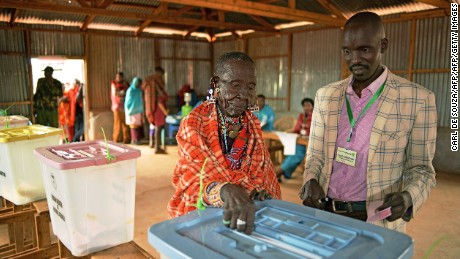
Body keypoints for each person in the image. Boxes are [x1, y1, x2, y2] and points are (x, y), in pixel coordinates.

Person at [299, 12, 437, 232]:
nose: (355, 60)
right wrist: (310, 179)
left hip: (376, 221)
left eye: (364, 49)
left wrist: (408, 197)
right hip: (325, 214)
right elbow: (315, 155)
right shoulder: (326, 96)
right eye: (347, 51)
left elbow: (421, 169)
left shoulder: (417, 99)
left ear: (383, 45)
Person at [168, 52, 281, 234]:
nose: (244, 95)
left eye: (251, 87)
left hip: (244, 217)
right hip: (203, 218)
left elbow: (263, 176)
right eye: (235, 85)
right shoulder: (195, 124)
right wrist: (224, 189)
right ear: (216, 84)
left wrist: (258, 192)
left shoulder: (252, 125)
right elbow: (193, 181)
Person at [276, 98, 313, 182]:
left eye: (308, 105)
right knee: (292, 153)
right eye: (305, 106)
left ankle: (279, 172)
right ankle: (283, 173)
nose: (306, 107)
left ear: (312, 107)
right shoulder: (302, 116)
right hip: (300, 140)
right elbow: (297, 128)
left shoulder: (316, 116)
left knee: (296, 155)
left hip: (310, 143)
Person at [144, 67, 168, 154]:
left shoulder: (150, 82)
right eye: (161, 74)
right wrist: (165, 111)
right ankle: (157, 148)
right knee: (158, 127)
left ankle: (157, 147)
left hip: (154, 108)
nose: (161, 77)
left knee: (158, 127)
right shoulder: (155, 82)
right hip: (158, 109)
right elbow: (160, 96)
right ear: (159, 73)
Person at [111, 72, 130, 144]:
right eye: (117, 77)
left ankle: (126, 138)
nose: (118, 78)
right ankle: (116, 139)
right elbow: (115, 93)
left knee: (125, 123)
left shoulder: (125, 84)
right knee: (117, 123)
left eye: (119, 77)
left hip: (125, 106)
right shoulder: (114, 84)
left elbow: (128, 91)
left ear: (122, 77)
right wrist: (122, 92)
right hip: (116, 106)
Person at [125, 77, 144, 145]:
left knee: (137, 125)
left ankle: (137, 139)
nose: (139, 85)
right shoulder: (130, 90)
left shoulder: (138, 90)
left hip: (138, 110)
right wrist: (130, 108)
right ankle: (134, 140)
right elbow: (128, 101)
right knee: (133, 125)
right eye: (138, 83)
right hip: (131, 110)